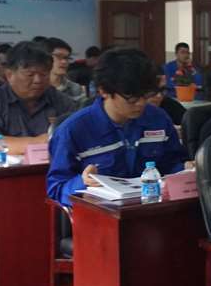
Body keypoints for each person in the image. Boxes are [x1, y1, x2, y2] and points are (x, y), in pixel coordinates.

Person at [46, 48, 187, 206]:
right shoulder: (73, 130)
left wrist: (186, 168)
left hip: (152, 208)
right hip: (101, 214)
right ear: (104, 91)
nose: (141, 103)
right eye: (132, 99)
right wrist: (82, 182)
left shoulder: (158, 118)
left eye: (145, 96)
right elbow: (56, 189)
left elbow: (172, 164)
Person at [0, 41, 77, 161]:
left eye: (44, 74)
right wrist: (41, 141)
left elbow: (76, 138)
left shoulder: (61, 101)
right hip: (2, 170)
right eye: (30, 75)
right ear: (9, 75)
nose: (38, 80)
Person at [44, 37, 88, 110]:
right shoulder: (37, 87)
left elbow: (83, 113)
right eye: (58, 56)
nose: (64, 62)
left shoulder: (75, 88)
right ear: (45, 57)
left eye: (67, 58)